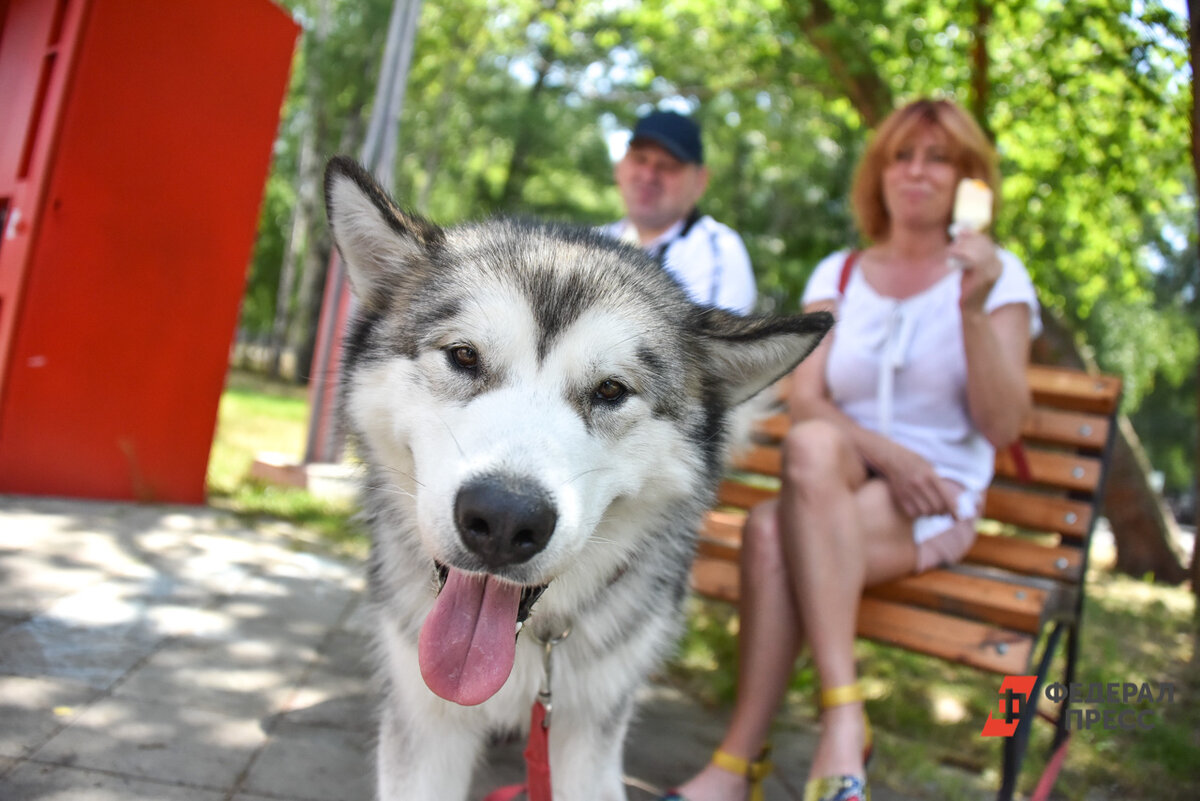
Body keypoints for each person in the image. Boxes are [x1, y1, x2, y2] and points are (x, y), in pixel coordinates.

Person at [660, 98, 1042, 801]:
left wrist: (973, 308)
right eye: (902, 155)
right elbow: (807, 398)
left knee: (771, 534)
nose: (917, 171)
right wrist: (888, 453)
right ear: (880, 171)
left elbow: (1004, 426)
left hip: (935, 496)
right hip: (836, 473)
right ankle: (844, 712)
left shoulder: (998, 277)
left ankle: (736, 763)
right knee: (809, 443)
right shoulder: (838, 274)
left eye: (939, 157)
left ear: (969, 180)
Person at [602, 110, 757, 314]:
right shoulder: (594, 241)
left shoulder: (720, 251)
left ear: (700, 181)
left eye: (668, 165)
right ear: (619, 168)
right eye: (640, 159)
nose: (648, 175)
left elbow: (713, 344)